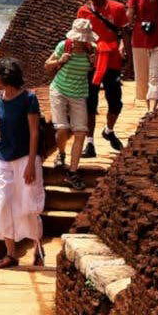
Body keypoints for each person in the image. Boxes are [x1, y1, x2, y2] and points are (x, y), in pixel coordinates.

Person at [0, 57, 45, 269]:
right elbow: (0, 129)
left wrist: (30, 164)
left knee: (29, 204)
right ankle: (11, 254)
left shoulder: (28, 98)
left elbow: (34, 133)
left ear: (6, 76)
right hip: (3, 157)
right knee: (2, 202)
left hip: (25, 157)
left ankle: (37, 246)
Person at [77, 0, 127, 157]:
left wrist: (123, 49)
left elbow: (124, 32)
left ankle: (109, 130)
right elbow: (79, 37)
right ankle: (89, 144)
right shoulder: (83, 11)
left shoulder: (117, 8)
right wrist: (86, 53)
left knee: (115, 102)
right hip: (92, 62)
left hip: (112, 59)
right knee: (90, 103)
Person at [45, 19, 96, 191]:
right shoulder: (63, 46)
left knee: (81, 132)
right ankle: (61, 153)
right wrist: (60, 60)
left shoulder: (91, 50)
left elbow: (93, 70)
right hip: (59, 89)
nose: (80, 41)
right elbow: (47, 65)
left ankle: (72, 172)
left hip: (79, 93)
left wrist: (94, 63)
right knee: (62, 129)